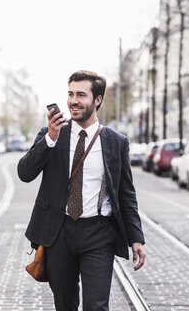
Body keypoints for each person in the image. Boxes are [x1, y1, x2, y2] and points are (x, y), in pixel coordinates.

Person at [18, 70, 146, 311]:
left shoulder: (116, 142)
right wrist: (50, 140)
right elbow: (24, 173)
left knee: (96, 306)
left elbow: (126, 193)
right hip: (59, 233)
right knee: (65, 304)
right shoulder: (52, 134)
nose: (73, 101)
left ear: (97, 100)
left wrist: (136, 238)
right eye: (70, 94)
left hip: (98, 234)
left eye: (81, 95)